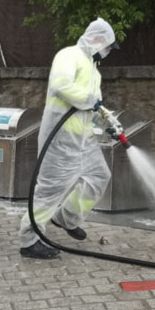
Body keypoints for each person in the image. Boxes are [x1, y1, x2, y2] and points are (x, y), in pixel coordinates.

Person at [19, 17, 119, 259]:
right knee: (50, 190)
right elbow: (61, 85)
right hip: (60, 140)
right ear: (96, 40)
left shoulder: (94, 71)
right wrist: (89, 100)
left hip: (84, 140)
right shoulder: (69, 56)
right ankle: (29, 240)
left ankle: (66, 217)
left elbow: (94, 106)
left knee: (99, 176)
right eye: (107, 47)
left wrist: (110, 124)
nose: (107, 52)